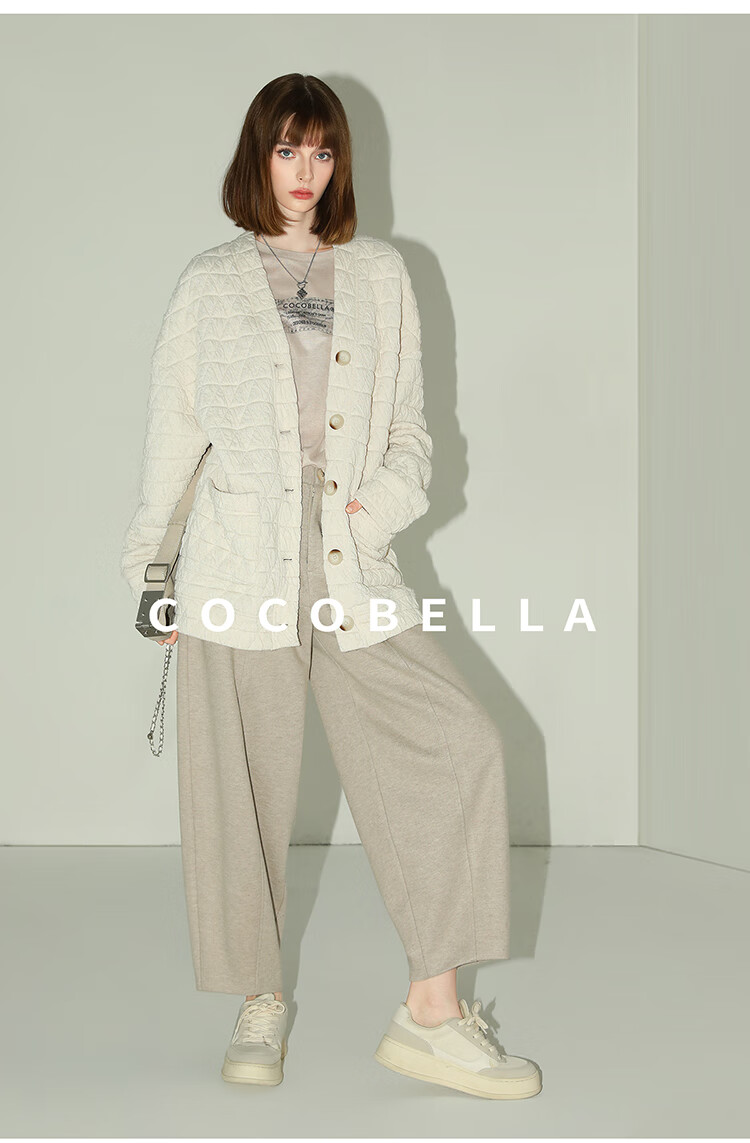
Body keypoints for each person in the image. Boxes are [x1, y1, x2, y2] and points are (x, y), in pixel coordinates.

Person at [121, 72, 541, 1101]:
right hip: (234, 562)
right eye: (286, 150)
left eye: (321, 151)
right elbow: (173, 440)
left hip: (351, 560)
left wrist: (369, 512)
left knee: (461, 745)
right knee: (243, 794)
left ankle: (432, 1012)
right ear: (256, 158)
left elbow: (413, 435)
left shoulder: (383, 274)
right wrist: (153, 572)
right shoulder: (208, 284)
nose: (305, 171)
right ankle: (258, 997)